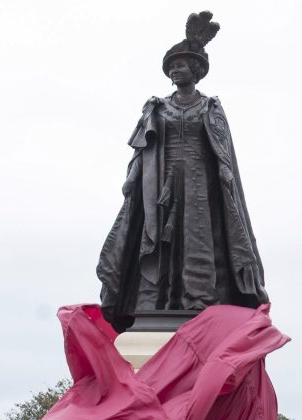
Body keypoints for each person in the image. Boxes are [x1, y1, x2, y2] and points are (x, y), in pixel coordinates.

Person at [96, 11, 268, 330]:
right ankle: (153, 301)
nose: (176, 70)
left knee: (198, 238)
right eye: (172, 66)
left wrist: (225, 179)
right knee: (157, 238)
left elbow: (222, 151)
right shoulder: (157, 107)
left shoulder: (209, 106)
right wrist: (132, 179)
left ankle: (198, 301)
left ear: (196, 70)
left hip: (200, 185)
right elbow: (141, 149)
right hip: (160, 182)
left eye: (182, 65)